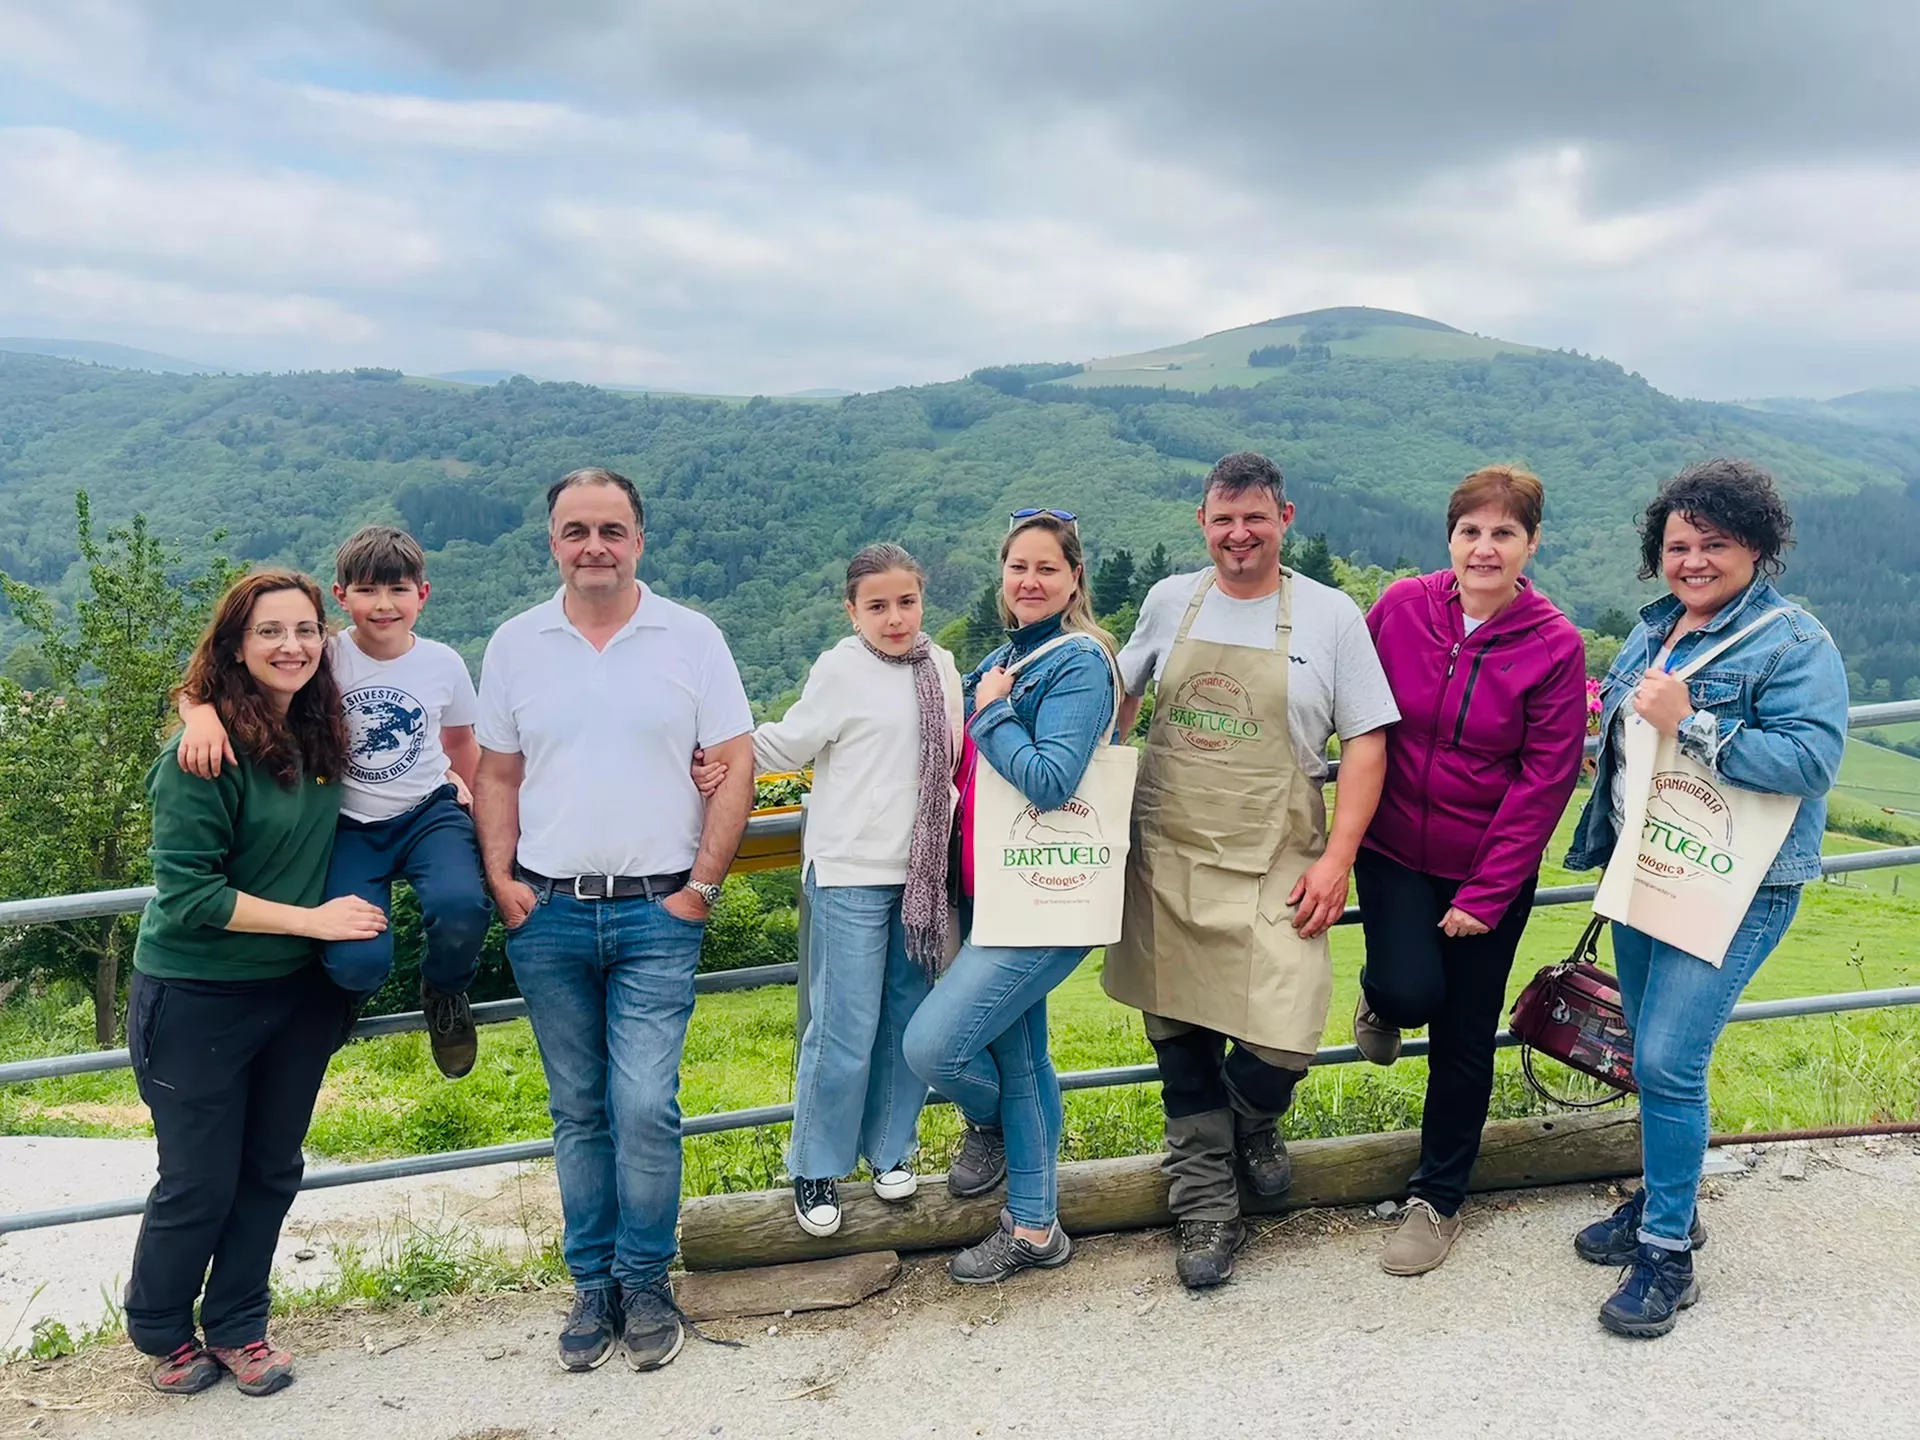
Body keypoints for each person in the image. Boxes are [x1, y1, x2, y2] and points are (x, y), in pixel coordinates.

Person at [473, 467, 756, 1374]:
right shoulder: (517, 643)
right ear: (552, 542)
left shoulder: (692, 637)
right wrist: (500, 880)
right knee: (579, 1110)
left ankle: (644, 1278)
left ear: (639, 538)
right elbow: (498, 773)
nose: (593, 544)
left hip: (655, 910)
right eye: (575, 530)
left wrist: (701, 888)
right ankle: (591, 1282)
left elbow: (739, 763)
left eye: (610, 529)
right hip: (548, 910)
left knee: (643, 1105)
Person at [1566, 458, 1847, 1338]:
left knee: (1667, 1062)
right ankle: (1667, 1204)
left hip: (1736, 885)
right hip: (1650, 867)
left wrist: (1690, 721)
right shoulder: (1653, 634)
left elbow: (1809, 761)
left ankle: (1667, 1257)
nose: (1692, 560)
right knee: (1648, 1050)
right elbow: (1625, 736)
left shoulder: (1796, 642)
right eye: (1678, 545)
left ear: (1756, 547)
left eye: (1713, 544)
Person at [1105, 451, 1399, 1290]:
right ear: (1203, 523)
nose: (1239, 534)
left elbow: (1368, 739)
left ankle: (1249, 1124)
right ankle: (1204, 1211)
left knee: (1281, 1040)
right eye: (1223, 519)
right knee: (1181, 1044)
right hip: (1169, 854)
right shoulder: (1171, 600)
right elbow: (1121, 698)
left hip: (1279, 860)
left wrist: (1339, 857)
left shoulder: (1331, 615)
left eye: (1255, 518)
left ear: (1285, 519)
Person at [124, 570, 387, 1398]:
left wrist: (446, 784)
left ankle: (239, 1327)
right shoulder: (201, 752)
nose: (292, 646)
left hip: (294, 995)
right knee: (199, 1176)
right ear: (237, 646)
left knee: (272, 1168)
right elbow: (191, 895)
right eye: (270, 631)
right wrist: (315, 923)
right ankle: (161, 1330)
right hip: (196, 993)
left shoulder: (318, 728)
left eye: (306, 629)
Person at [1351, 465, 1588, 1274]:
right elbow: (1356, 711)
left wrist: (1488, 893)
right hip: (1387, 850)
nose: (1484, 548)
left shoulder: (1554, 645)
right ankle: (1380, 995)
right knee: (1411, 989)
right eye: (1471, 532)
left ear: (1531, 543)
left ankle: (1437, 1200)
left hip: (1490, 866)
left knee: (1462, 1034)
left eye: (1503, 534)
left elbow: (1545, 776)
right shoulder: (1401, 608)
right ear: (1450, 538)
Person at [694, 543, 963, 1236]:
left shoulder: (942, 667)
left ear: (921, 600)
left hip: (922, 876)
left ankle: (892, 1150)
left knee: (908, 1022)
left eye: (906, 602)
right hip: (849, 871)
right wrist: (715, 758)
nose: (894, 618)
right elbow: (785, 745)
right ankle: (815, 1165)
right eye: (877, 606)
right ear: (852, 611)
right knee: (843, 1028)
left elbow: (957, 757)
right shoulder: (840, 669)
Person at [179, 525, 489, 1078]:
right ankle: (343, 998)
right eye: (368, 590)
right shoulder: (322, 654)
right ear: (341, 596)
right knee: (357, 960)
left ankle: (444, 992)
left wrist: (469, 795)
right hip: (347, 823)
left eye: (398, 589)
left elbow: (461, 741)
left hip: (428, 814)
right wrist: (198, 716)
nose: (384, 604)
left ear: (423, 593)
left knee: (462, 907)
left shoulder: (443, 663)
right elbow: (216, 681)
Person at [901, 509, 1120, 1285]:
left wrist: (990, 710)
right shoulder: (1003, 655)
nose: (1029, 581)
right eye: (1017, 567)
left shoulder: (1078, 662)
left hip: (1044, 896)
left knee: (932, 1047)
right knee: (1024, 1063)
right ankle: (1035, 1228)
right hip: (992, 893)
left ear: (1073, 578)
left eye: (1046, 569)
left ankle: (988, 1125)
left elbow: (1053, 780)